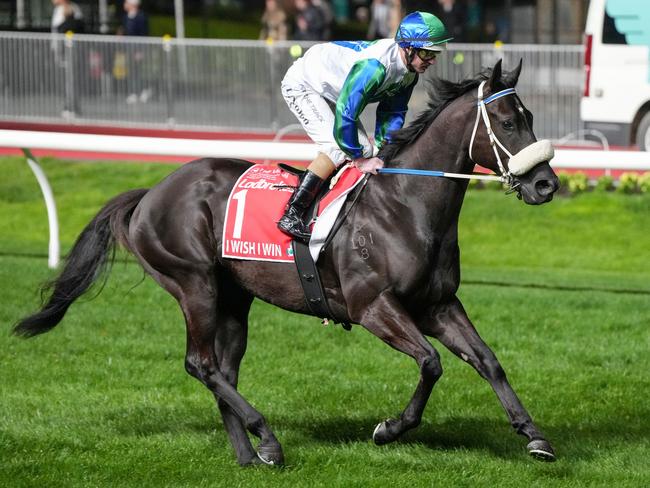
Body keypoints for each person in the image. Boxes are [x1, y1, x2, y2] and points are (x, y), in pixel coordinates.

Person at [278, 11, 451, 242]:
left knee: (370, 153)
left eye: (435, 54)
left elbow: (392, 113)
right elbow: (346, 111)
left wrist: (385, 151)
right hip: (304, 84)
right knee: (338, 148)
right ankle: (293, 212)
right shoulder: (374, 68)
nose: (432, 60)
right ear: (408, 48)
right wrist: (359, 160)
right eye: (427, 53)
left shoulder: (409, 74)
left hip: (333, 90)